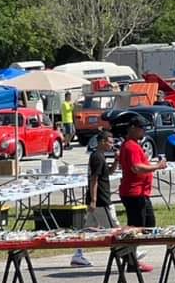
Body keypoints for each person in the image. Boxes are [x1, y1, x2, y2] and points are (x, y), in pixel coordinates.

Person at [118, 115, 168, 272]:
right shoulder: (130, 146)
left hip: (140, 193)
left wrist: (151, 164)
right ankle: (128, 256)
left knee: (148, 225)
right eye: (141, 128)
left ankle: (130, 254)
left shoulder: (133, 145)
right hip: (134, 193)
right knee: (137, 228)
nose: (144, 131)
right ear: (132, 128)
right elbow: (136, 168)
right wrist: (157, 166)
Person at [71, 129, 120, 267]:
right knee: (113, 227)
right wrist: (93, 200)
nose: (112, 145)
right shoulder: (97, 157)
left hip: (98, 199)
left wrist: (116, 161)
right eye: (110, 142)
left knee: (88, 229)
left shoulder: (100, 156)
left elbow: (108, 173)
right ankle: (126, 253)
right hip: (100, 200)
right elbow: (94, 179)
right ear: (102, 142)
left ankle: (78, 254)